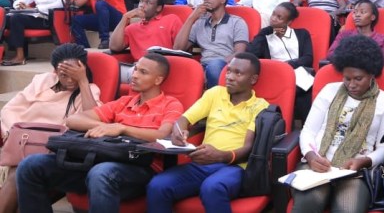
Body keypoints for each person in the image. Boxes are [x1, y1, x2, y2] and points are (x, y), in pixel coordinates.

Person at [16, 53, 183, 213]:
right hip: (101, 160)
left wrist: (122, 128)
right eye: (135, 69)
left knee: (101, 173)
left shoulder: (170, 104)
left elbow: (163, 135)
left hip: (142, 168)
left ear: (158, 79)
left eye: (143, 72)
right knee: (31, 165)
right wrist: (106, 127)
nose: (134, 75)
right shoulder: (123, 102)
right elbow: (73, 120)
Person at [146, 53, 268, 212]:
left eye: (238, 73)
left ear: (253, 79)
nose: (229, 76)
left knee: (212, 188)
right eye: (229, 71)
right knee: (157, 186)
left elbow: (248, 148)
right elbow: (184, 119)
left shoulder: (260, 106)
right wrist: (178, 131)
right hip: (203, 163)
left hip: (236, 167)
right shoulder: (215, 93)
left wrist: (221, 155)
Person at [293, 35, 384, 212]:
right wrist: (311, 156)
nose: (351, 84)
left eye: (358, 78)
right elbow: (308, 131)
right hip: (317, 163)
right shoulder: (329, 91)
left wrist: (364, 161)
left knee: (347, 209)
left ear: (372, 75)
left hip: (356, 171)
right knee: (309, 203)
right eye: (347, 78)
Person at [0, 44, 101, 213]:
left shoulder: (89, 90)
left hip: (51, 150)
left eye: (74, 75)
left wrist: (83, 81)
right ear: (55, 71)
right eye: (64, 75)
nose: (70, 80)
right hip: (21, 141)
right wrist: (14, 132)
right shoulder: (42, 81)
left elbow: (91, 118)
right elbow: (12, 108)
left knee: (17, 173)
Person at [247, 2, 314, 120]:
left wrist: (288, 65)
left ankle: (303, 127)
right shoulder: (266, 36)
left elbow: (308, 58)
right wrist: (264, 33)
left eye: (279, 17)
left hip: (297, 72)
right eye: (273, 14)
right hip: (274, 75)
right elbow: (251, 54)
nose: (273, 18)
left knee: (305, 89)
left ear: (288, 22)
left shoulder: (302, 34)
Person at [174, 0, 249, 87]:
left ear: (223, 0)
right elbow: (178, 48)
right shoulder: (199, 22)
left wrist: (211, 68)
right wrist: (191, 18)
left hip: (226, 65)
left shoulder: (237, 22)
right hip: (202, 65)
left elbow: (239, 53)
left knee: (214, 66)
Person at [2, 0, 67, 66]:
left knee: (17, 18)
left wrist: (35, 9)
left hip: (47, 19)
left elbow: (60, 4)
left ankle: (20, 56)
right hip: (33, 16)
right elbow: (18, 2)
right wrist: (21, 6)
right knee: (4, 18)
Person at [109, 0, 182, 61]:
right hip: (138, 67)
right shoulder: (132, 28)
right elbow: (114, 47)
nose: (142, 5)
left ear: (158, 8)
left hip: (163, 66)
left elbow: (180, 48)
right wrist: (124, 18)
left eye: (148, 3)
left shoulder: (171, 20)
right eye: (141, 1)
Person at [328, 0, 384, 64]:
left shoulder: (383, 40)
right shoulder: (344, 35)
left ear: (372, 17)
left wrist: (348, 56)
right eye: (355, 12)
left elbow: (381, 62)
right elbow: (331, 55)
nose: (357, 15)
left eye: (362, 12)